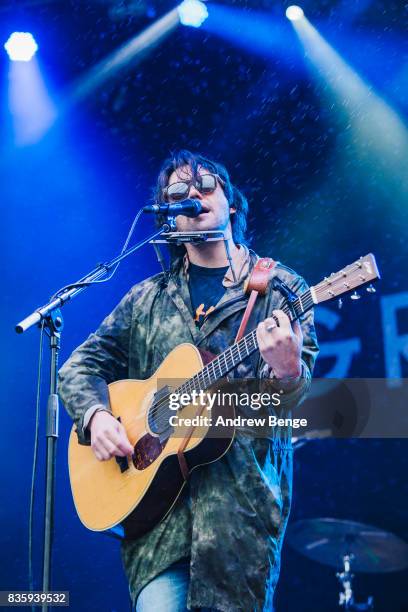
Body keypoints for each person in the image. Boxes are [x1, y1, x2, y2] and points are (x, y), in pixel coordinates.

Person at [58, 150, 319, 612]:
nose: (191, 196)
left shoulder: (280, 290)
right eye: (177, 193)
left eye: (205, 187)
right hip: (157, 532)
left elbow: (291, 404)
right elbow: (78, 366)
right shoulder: (147, 300)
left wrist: (288, 370)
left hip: (237, 527)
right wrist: (96, 415)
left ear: (231, 203)